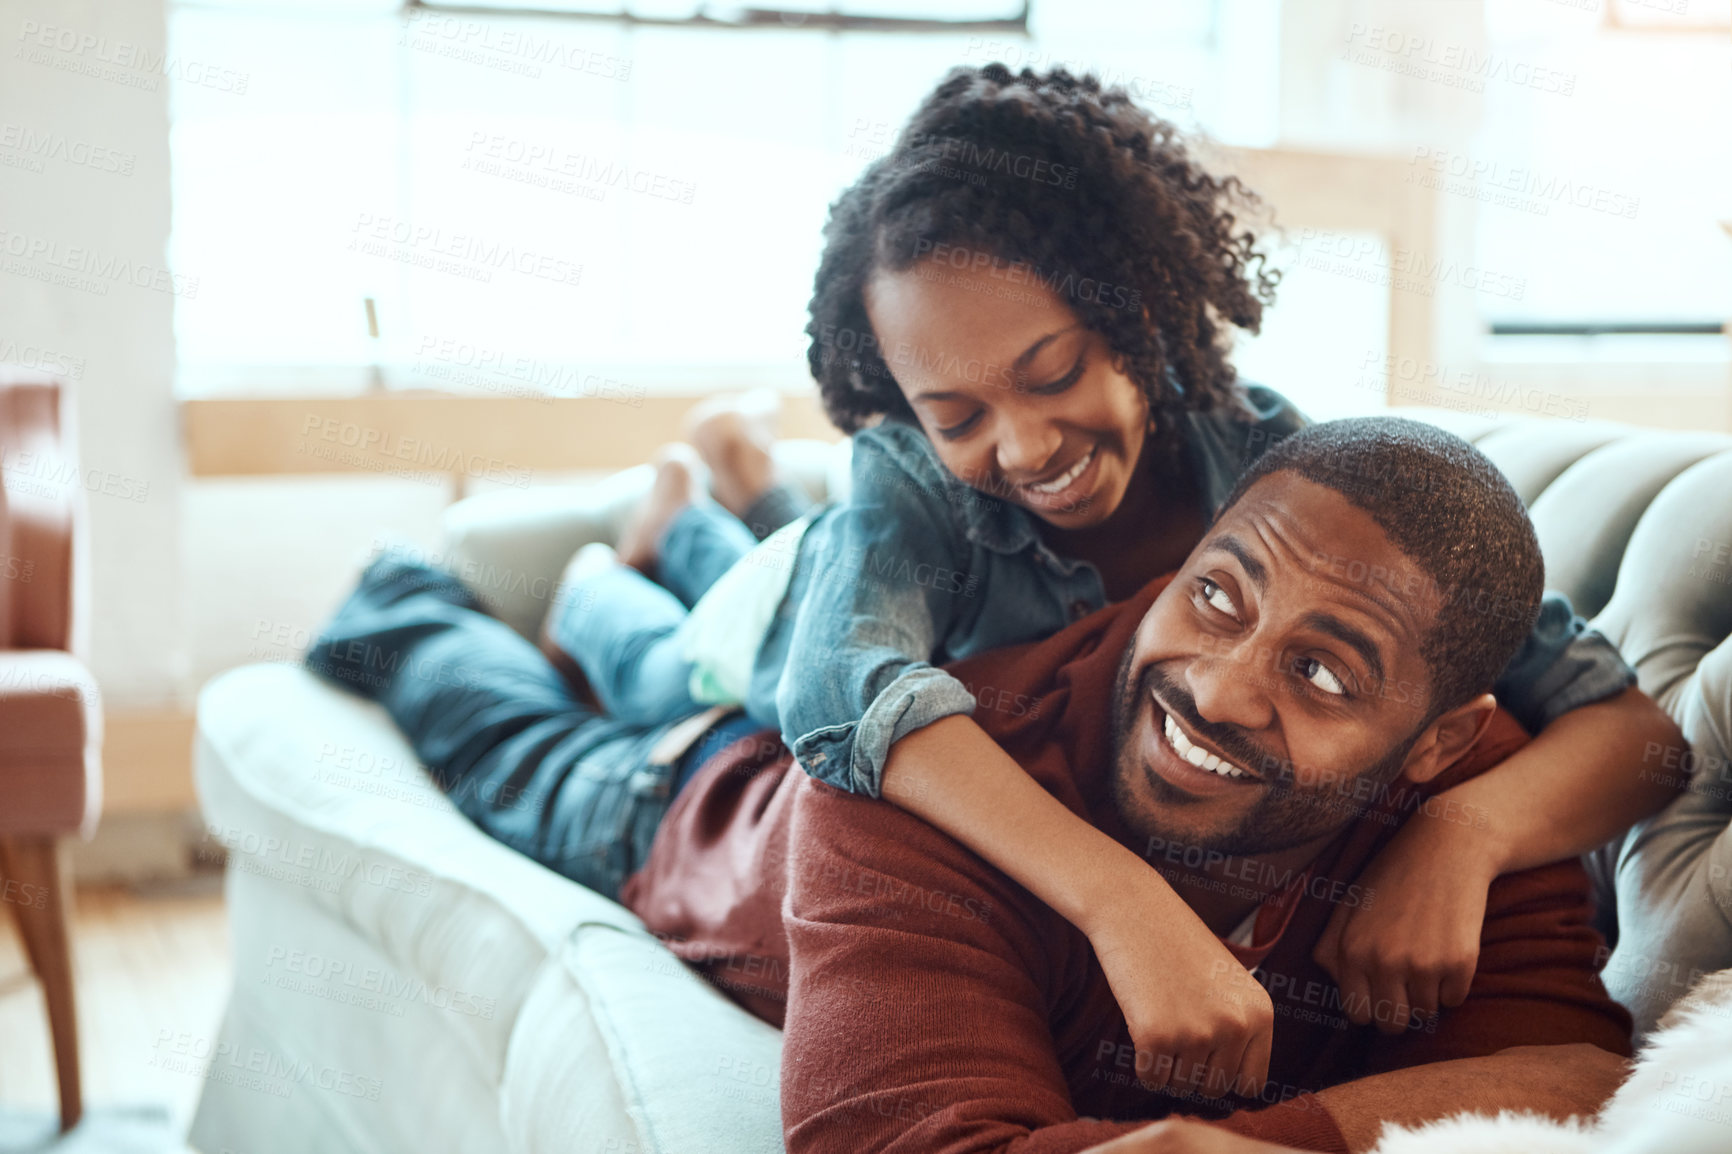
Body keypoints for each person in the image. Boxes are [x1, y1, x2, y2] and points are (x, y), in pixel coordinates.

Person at [538, 63, 1683, 1094]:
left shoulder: (1280, 474)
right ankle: (628, 553)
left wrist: (1464, 833)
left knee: (745, 568)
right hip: (769, 665)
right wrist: (1116, 895)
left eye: (1053, 373)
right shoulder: (910, 483)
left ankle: (720, 483)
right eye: (959, 413)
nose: (1027, 447)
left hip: (830, 576)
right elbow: (835, 692)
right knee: (663, 661)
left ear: (1137, 309)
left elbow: (1635, 735)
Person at [306, 418, 1636, 1152]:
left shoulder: (1477, 802)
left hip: (822, 705)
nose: (1223, 688)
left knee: (727, 626)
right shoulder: (907, 792)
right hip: (694, 808)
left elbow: (1564, 1075)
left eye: (1326, 674)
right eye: (1216, 596)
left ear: (1437, 742)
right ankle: (430, 591)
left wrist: (1268, 1146)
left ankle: (699, 524)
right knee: (494, 722)